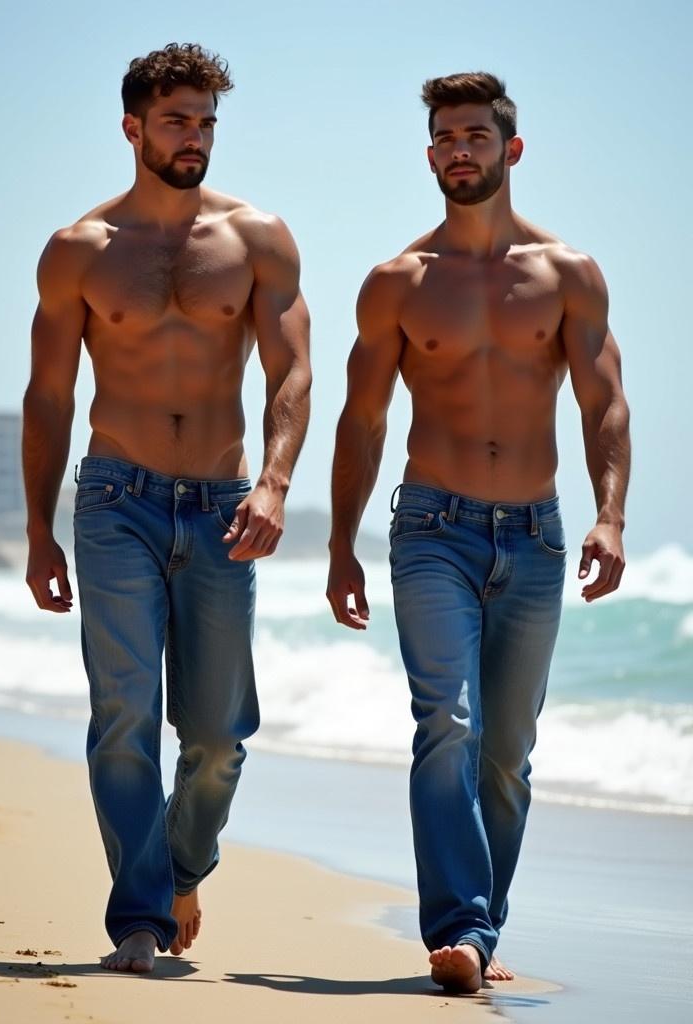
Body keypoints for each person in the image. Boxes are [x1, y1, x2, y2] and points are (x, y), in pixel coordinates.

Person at [326, 71, 629, 992]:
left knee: (507, 754)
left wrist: (611, 515)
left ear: (512, 148)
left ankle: (481, 935)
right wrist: (341, 544)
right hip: (433, 528)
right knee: (445, 722)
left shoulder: (567, 274)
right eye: (446, 138)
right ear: (431, 156)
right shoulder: (397, 283)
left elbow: (604, 402)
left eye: (477, 136)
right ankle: (456, 930)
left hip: (536, 534)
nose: (461, 149)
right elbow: (363, 419)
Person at [23, 42, 311, 974]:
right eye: (179, 120)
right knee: (124, 716)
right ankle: (139, 919)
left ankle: (182, 868)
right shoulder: (79, 251)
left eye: (207, 123)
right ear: (133, 127)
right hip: (115, 500)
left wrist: (273, 482)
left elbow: (294, 371)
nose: (196, 138)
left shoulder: (257, 237)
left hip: (225, 503)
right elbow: (49, 397)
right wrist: (38, 529)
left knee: (221, 735)